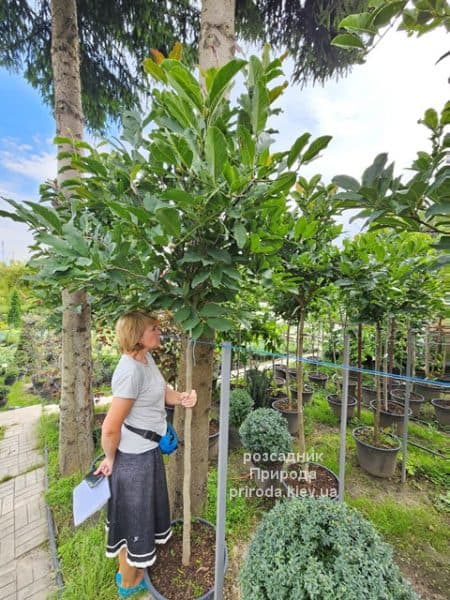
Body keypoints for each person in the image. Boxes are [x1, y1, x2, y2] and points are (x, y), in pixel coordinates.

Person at [94, 310, 197, 598]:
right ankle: (128, 585)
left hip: (146, 453)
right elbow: (110, 428)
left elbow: (160, 390)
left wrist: (182, 398)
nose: (159, 332)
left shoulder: (146, 359)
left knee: (139, 519)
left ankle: (136, 570)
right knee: (132, 524)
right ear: (138, 335)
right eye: (154, 328)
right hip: (132, 461)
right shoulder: (129, 372)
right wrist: (110, 459)